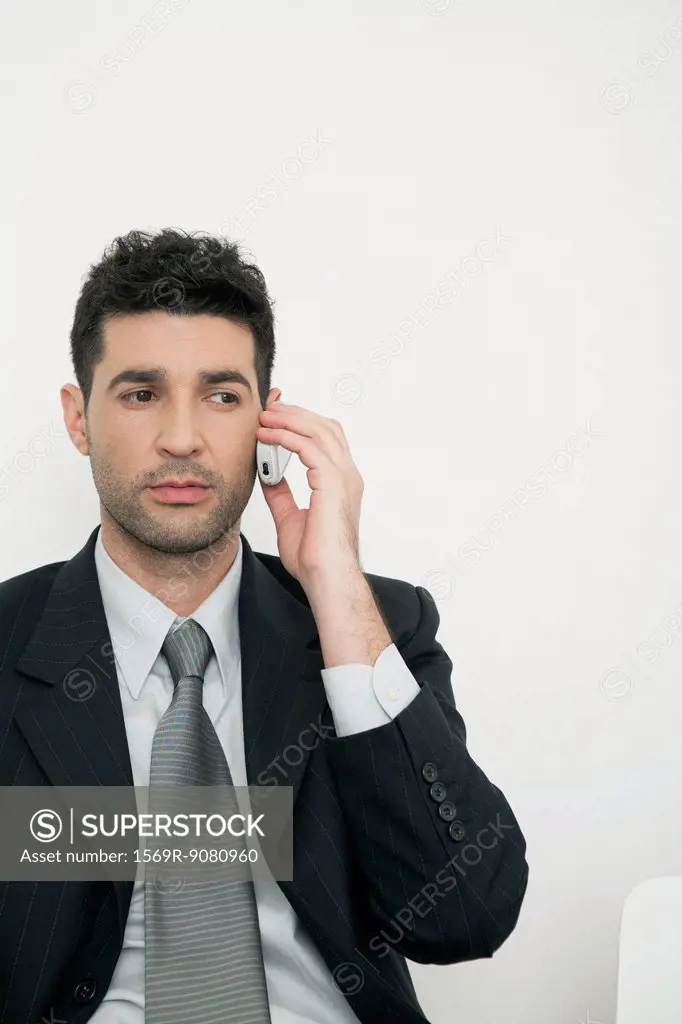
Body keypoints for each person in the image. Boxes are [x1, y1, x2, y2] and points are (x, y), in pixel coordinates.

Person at [0, 228, 528, 1024]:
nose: (182, 438)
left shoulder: (374, 624)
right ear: (78, 419)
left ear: (269, 421)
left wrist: (337, 588)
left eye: (221, 395)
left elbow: (464, 919)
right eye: (141, 393)